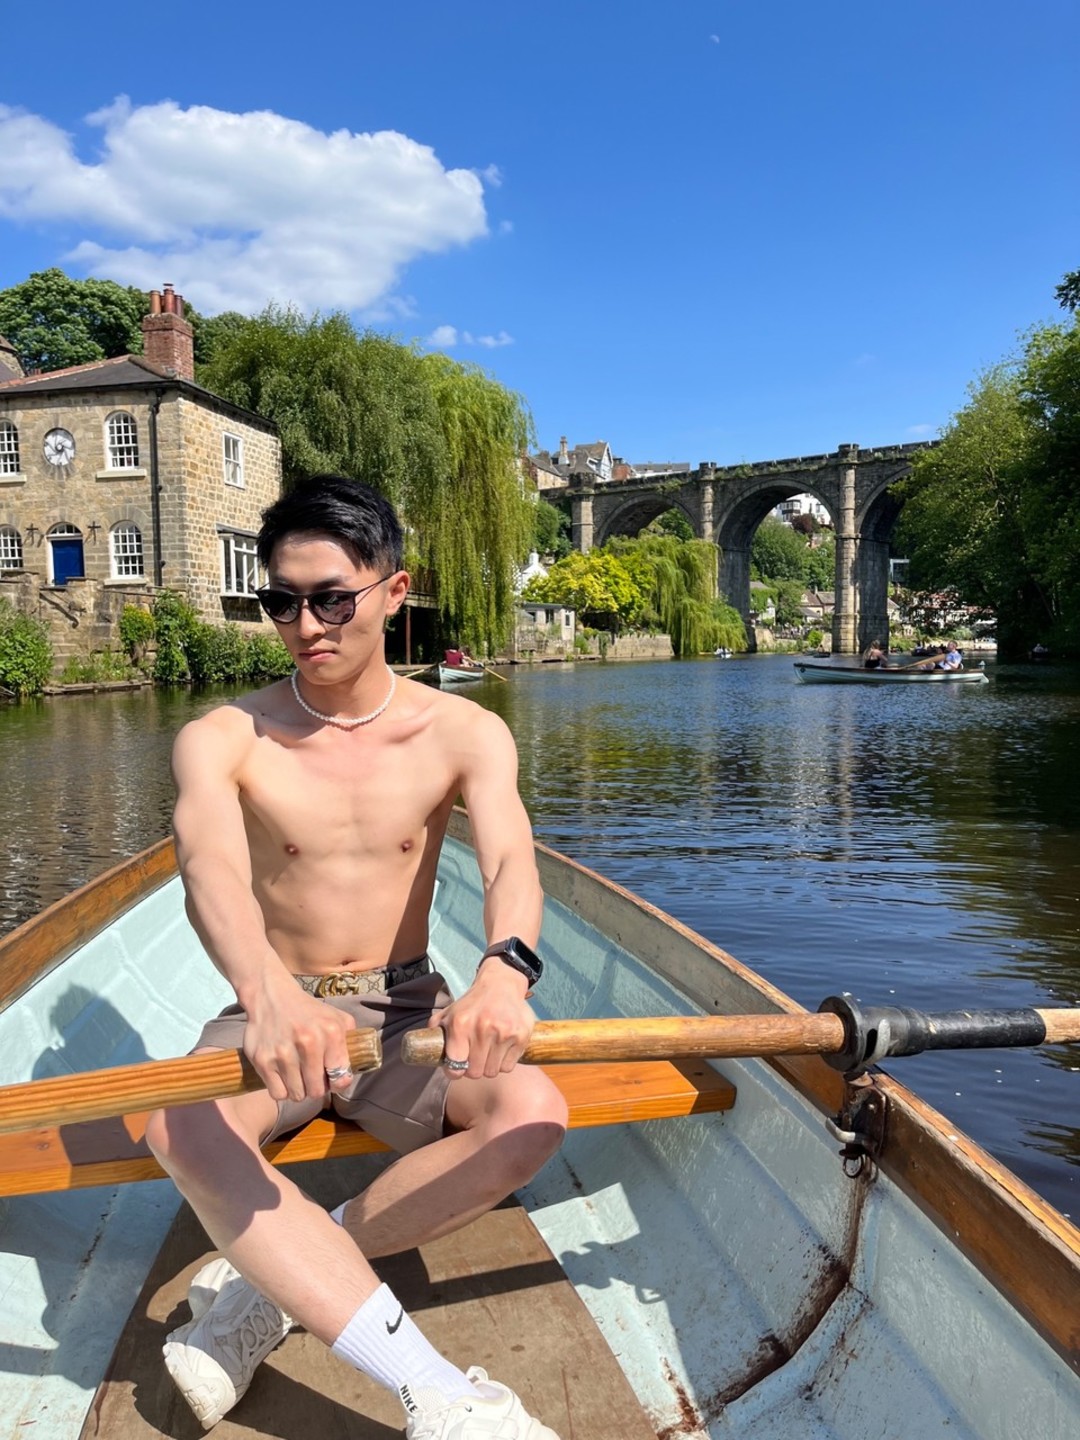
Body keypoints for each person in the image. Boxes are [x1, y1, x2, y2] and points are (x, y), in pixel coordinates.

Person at [145, 475, 567, 1440]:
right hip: (276, 1007)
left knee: (533, 1115)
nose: (306, 626)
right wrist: (266, 994)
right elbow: (208, 870)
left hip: (407, 1010)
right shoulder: (223, 737)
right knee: (181, 1126)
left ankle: (269, 1286)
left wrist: (504, 973)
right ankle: (440, 1395)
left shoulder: (464, 731)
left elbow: (511, 860)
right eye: (281, 601)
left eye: (332, 599)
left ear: (393, 590)